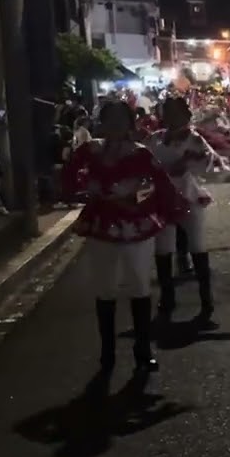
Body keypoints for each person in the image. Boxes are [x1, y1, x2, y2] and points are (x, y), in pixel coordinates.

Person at [60, 100, 188, 375]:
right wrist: (86, 188)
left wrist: (140, 197)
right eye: (110, 119)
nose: (116, 125)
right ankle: (107, 354)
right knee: (104, 288)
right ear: (101, 123)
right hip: (101, 225)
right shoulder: (90, 149)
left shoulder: (140, 153)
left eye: (122, 119)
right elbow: (69, 175)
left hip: (136, 225)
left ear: (130, 124)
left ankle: (142, 350)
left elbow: (160, 184)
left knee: (139, 285)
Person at [149, 96, 219, 324]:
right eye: (168, 113)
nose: (172, 118)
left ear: (186, 116)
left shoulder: (194, 139)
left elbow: (206, 164)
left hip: (189, 198)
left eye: (177, 113)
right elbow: (143, 162)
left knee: (197, 246)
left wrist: (191, 161)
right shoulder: (155, 139)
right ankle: (167, 297)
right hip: (163, 200)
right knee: (163, 249)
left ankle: (206, 298)